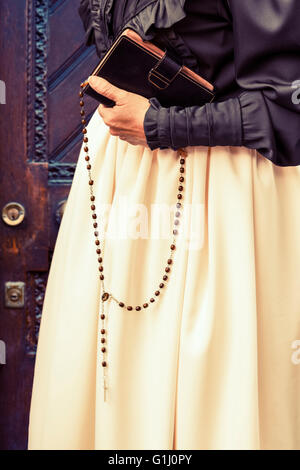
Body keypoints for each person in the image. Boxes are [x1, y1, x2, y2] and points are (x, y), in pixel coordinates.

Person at [28, 0, 300, 450]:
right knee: (114, 378)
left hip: (226, 190)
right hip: (121, 179)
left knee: (215, 386)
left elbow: (290, 113)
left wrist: (162, 123)